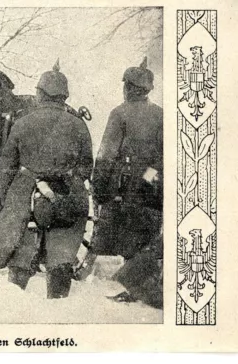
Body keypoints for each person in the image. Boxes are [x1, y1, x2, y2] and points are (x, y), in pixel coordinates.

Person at [0, 60, 93, 299]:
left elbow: (6, 167)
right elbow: (86, 166)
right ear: (64, 96)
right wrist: (68, 181)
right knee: (61, 256)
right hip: (66, 196)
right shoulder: (79, 126)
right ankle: (58, 302)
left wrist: (8, 200)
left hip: (25, 194)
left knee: (20, 254)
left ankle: (15, 305)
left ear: (40, 94)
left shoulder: (22, 124)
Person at [90, 57, 163, 309]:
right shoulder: (161, 115)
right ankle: (142, 286)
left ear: (130, 87)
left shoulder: (119, 113)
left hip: (124, 189)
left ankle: (140, 289)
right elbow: (164, 157)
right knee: (147, 238)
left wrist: (98, 189)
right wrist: (150, 178)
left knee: (126, 237)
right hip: (153, 188)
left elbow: (106, 156)